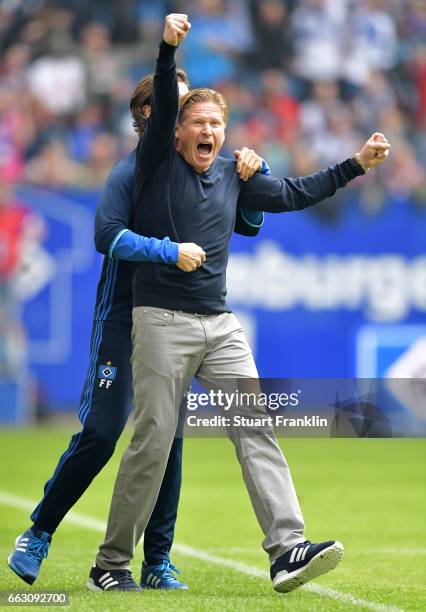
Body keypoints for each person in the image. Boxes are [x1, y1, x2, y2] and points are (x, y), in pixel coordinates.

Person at [90, 14, 391, 595]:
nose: (207, 131)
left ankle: (287, 549)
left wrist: (356, 164)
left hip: (219, 325)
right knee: (152, 440)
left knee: (255, 428)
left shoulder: (235, 172)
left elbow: (296, 194)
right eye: (196, 121)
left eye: (216, 123)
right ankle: (111, 564)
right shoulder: (152, 164)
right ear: (174, 131)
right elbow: (153, 132)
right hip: (161, 323)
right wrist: (166, 49)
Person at [7, 66, 268, 590]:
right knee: (103, 432)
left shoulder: (199, 173)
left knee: (167, 438)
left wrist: (249, 175)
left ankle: (156, 561)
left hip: (174, 321)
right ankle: (39, 530)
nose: (186, 116)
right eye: (175, 105)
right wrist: (169, 254)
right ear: (150, 115)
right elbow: (107, 236)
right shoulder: (130, 172)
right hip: (124, 318)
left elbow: (247, 220)